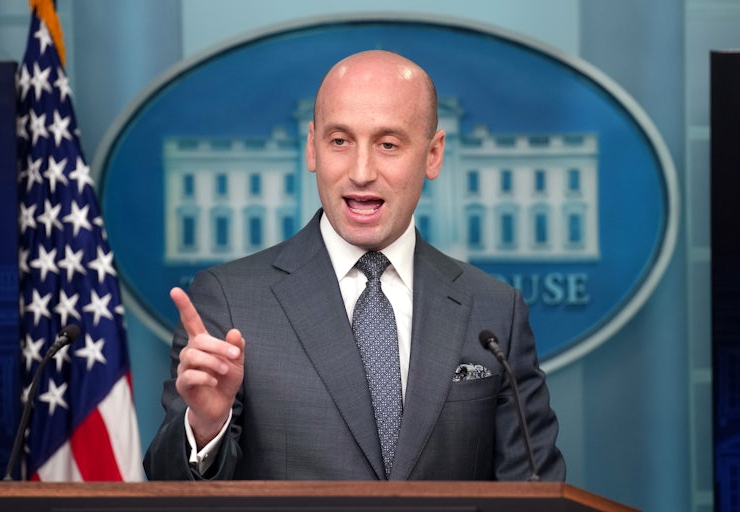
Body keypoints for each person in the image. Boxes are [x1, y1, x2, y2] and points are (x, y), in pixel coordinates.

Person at [144, 49, 565, 481]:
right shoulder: (229, 302)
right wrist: (206, 427)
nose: (361, 172)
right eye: (340, 141)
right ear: (312, 147)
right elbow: (168, 488)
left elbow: (536, 491)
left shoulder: (496, 310)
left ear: (433, 154)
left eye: (388, 144)